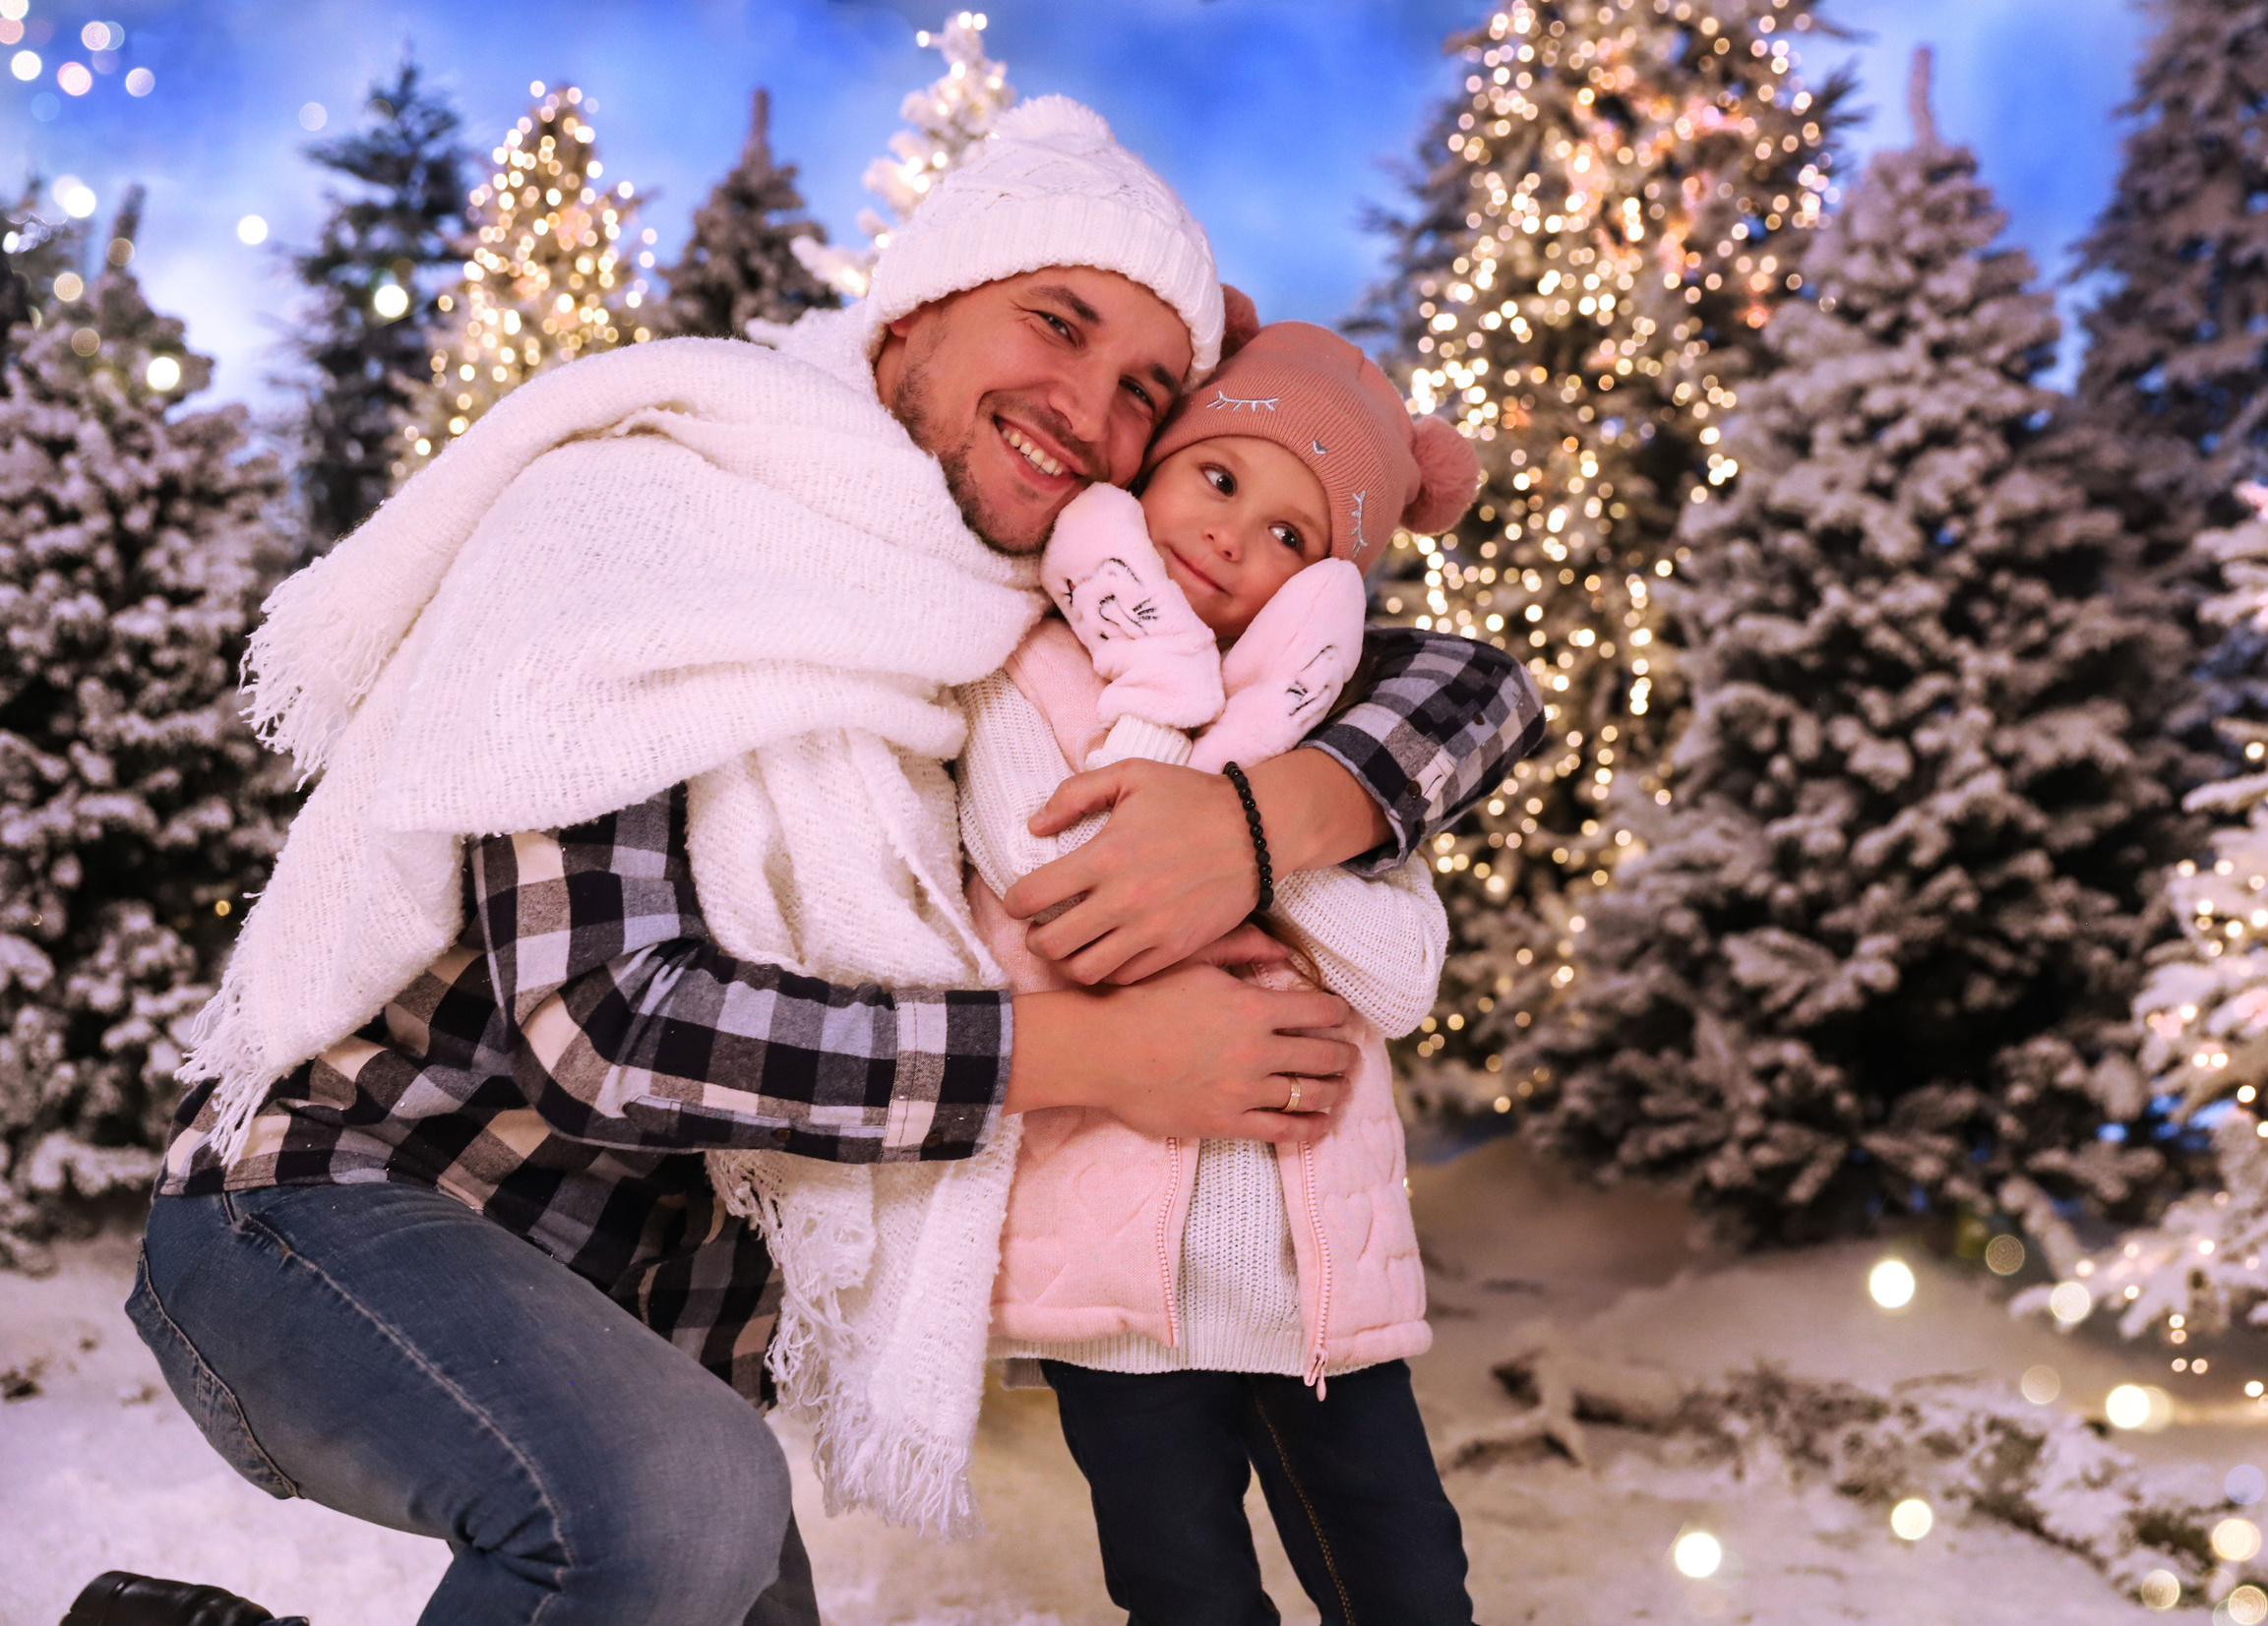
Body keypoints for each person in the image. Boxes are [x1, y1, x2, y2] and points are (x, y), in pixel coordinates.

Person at [110, 95, 1542, 1626]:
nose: (1086, 406)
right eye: (1052, 323)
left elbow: (1467, 679)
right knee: (675, 1503)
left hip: (637, 1317)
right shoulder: (646, 512)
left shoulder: (1016, 615)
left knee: (696, 1520)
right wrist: (1104, 1053)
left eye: (1144, 390)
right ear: (918, 310)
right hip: (342, 1206)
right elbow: (612, 1031)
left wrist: (1263, 823)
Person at [968, 315, 1484, 1626]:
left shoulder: (1335, 750)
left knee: (1409, 1579)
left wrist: (1259, 835)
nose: (1232, 538)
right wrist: (1163, 676)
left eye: (1294, 541)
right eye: (1217, 479)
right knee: (1182, 1586)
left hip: (1322, 1281)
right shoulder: (1029, 676)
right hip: (1120, 1293)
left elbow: (1404, 976)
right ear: (1147, 481)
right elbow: (1069, 884)